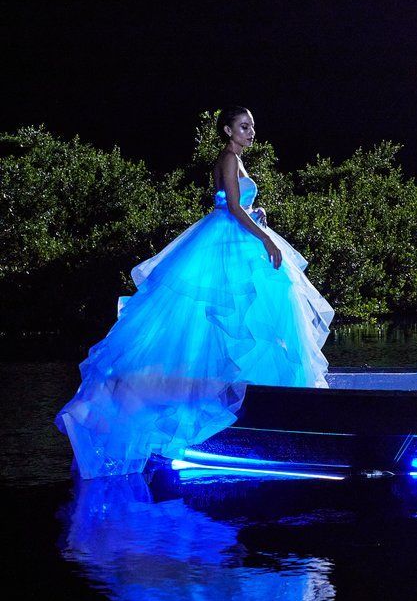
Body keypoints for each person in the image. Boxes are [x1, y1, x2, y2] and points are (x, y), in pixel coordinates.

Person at [55, 107, 334, 479]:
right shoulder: (229, 158)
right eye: (244, 126)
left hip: (233, 239)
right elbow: (232, 207)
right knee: (225, 317)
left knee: (247, 317)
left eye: (252, 127)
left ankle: (259, 402)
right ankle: (195, 405)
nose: (251, 132)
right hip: (226, 242)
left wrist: (258, 213)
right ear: (228, 130)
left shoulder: (235, 159)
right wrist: (266, 238)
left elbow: (237, 204)